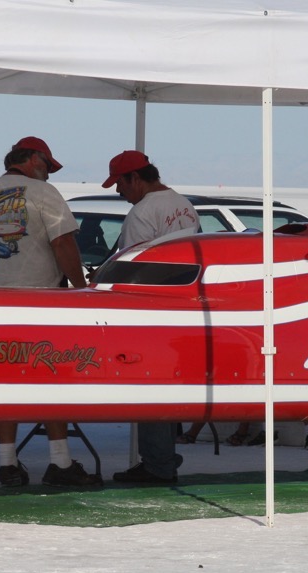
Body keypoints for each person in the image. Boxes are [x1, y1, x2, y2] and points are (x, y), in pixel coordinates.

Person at [0, 136, 100, 489]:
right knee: (52, 380)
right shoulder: (41, 193)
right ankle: (60, 461)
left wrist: (1, 264)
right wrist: (80, 286)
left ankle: (8, 463)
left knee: (4, 383)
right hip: (41, 305)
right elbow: (63, 242)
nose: (49, 174)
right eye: (48, 166)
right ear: (34, 159)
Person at [101, 150, 200, 485]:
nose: (119, 193)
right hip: (185, 308)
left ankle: (158, 464)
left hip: (150, 310)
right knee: (168, 389)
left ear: (136, 179)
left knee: (149, 388)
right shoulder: (183, 204)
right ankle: (162, 459)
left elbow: (131, 271)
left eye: (120, 185)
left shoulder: (142, 213)